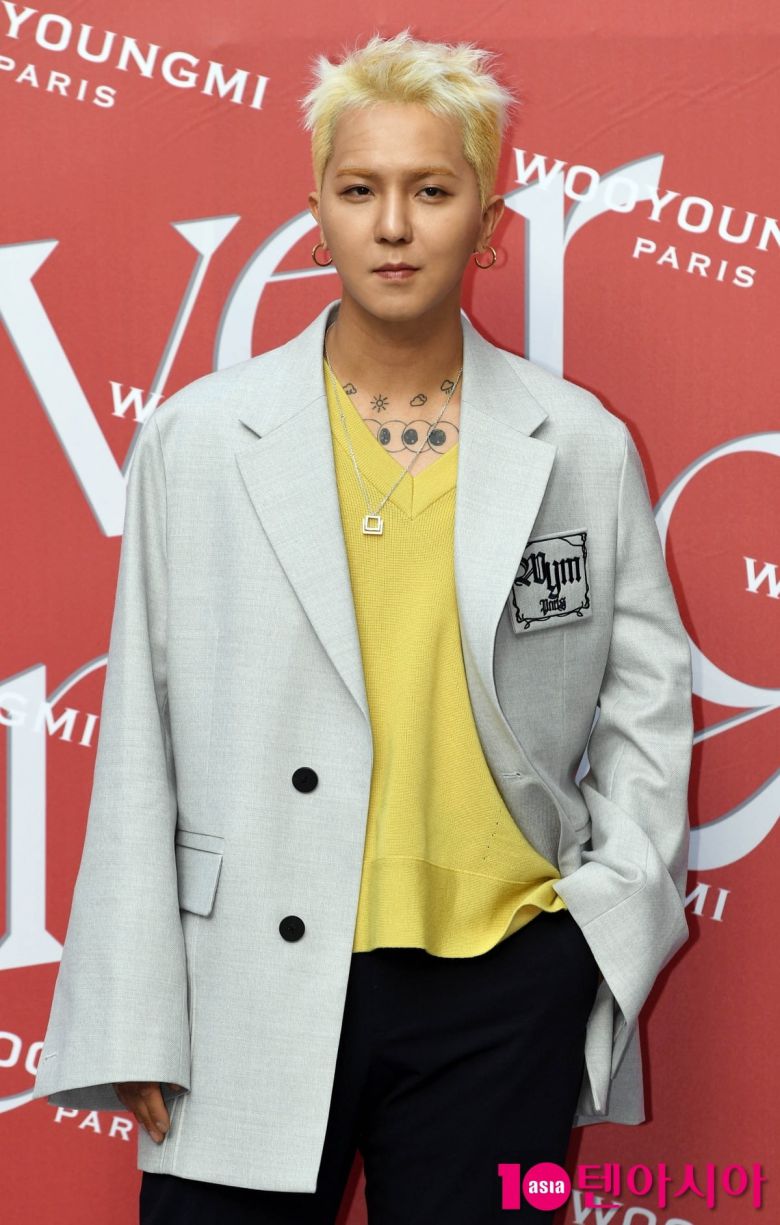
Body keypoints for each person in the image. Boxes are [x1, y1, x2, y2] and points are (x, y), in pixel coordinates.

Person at [32, 27, 693, 1224]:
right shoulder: (199, 439)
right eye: (360, 190)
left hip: (505, 992)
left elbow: (644, 709)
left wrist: (598, 933)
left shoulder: (580, 443)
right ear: (317, 216)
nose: (394, 224)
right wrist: (135, 1007)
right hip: (242, 987)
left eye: (431, 190)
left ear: (488, 222)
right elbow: (139, 733)